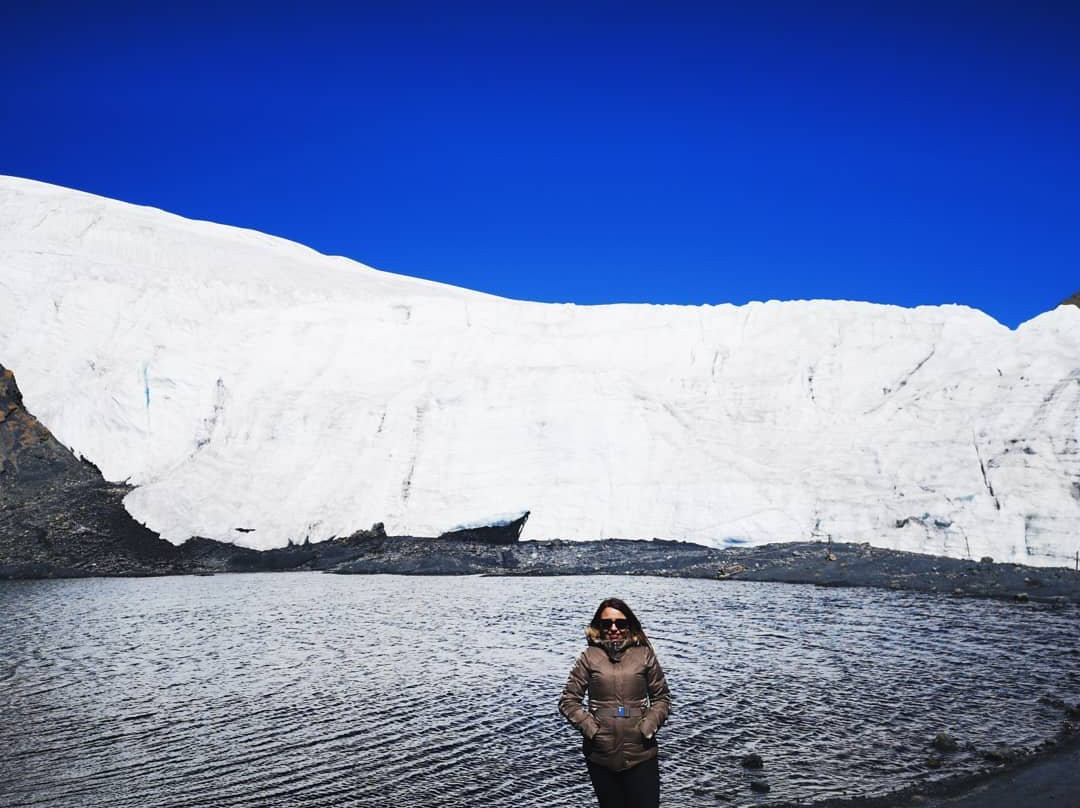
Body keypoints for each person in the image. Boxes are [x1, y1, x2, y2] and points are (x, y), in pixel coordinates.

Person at [558, 597, 672, 808]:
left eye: (620, 623)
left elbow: (662, 698)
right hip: (600, 757)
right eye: (606, 623)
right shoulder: (588, 657)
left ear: (629, 625)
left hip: (641, 754)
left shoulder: (645, 655)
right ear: (598, 626)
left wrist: (646, 728)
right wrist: (593, 730)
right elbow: (568, 701)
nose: (613, 628)